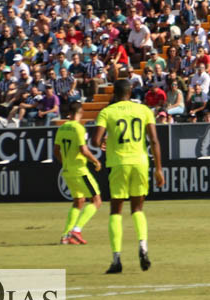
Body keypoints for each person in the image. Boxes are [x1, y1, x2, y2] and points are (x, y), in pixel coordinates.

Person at [92, 79, 165, 274]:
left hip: (118, 163)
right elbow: (155, 141)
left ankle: (116, 259)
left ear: (114, 93)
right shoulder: (144, 111)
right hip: (140, 162)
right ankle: (143, 247)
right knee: (138, 208)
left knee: (116, 210)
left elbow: (95, 140)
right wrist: (158, 168)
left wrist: (103, 142)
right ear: (131, 92)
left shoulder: (107, 112)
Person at [54, 102, 102, 245]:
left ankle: (65, 236)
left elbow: (56, 151)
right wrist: (95, 161)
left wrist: (66, 162)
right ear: (81, 112)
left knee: (78, 201)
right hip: (80, 170)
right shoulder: (79, 128)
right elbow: (84, 150)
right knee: (96, 200)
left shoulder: (61, 128)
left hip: (67, 171)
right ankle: (76, 230)